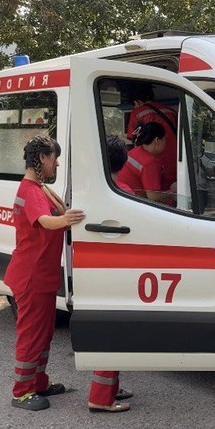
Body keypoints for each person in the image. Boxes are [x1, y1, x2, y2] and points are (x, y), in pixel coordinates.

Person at [4, 135, 85, 411]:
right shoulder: (31, 191)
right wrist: (66, 219)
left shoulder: (39, 187)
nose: (57, 163)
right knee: (31, 335)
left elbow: (56, 215)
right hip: (32, 276)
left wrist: (66, 216)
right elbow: (45, 221)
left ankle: (38, 382)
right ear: (41, 158)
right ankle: (22, 391)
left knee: (43, 333)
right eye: (54, 158)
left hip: (41, 274)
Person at [87, 134, 135, 412]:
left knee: (111, 331)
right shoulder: (123, 193)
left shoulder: (95, 192)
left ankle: (111, 389)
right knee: (113, 333)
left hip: (100, 270)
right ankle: (100, 398)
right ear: (123, 161)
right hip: (118, 272)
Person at [125, 81, 178, 190]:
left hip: (152, 166)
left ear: (136, 102)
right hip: (174, 162)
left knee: (155, 194)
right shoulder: (171, 112)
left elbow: (132, 139)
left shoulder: (138, 113)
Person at [117, 121, 174, 204]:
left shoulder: (136, 150)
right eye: (165, 139)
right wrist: (173, 192)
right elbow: (153, 197)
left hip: (121, 193)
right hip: (132, 200)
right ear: (157, 140)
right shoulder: (150, 162)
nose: (166, 143)